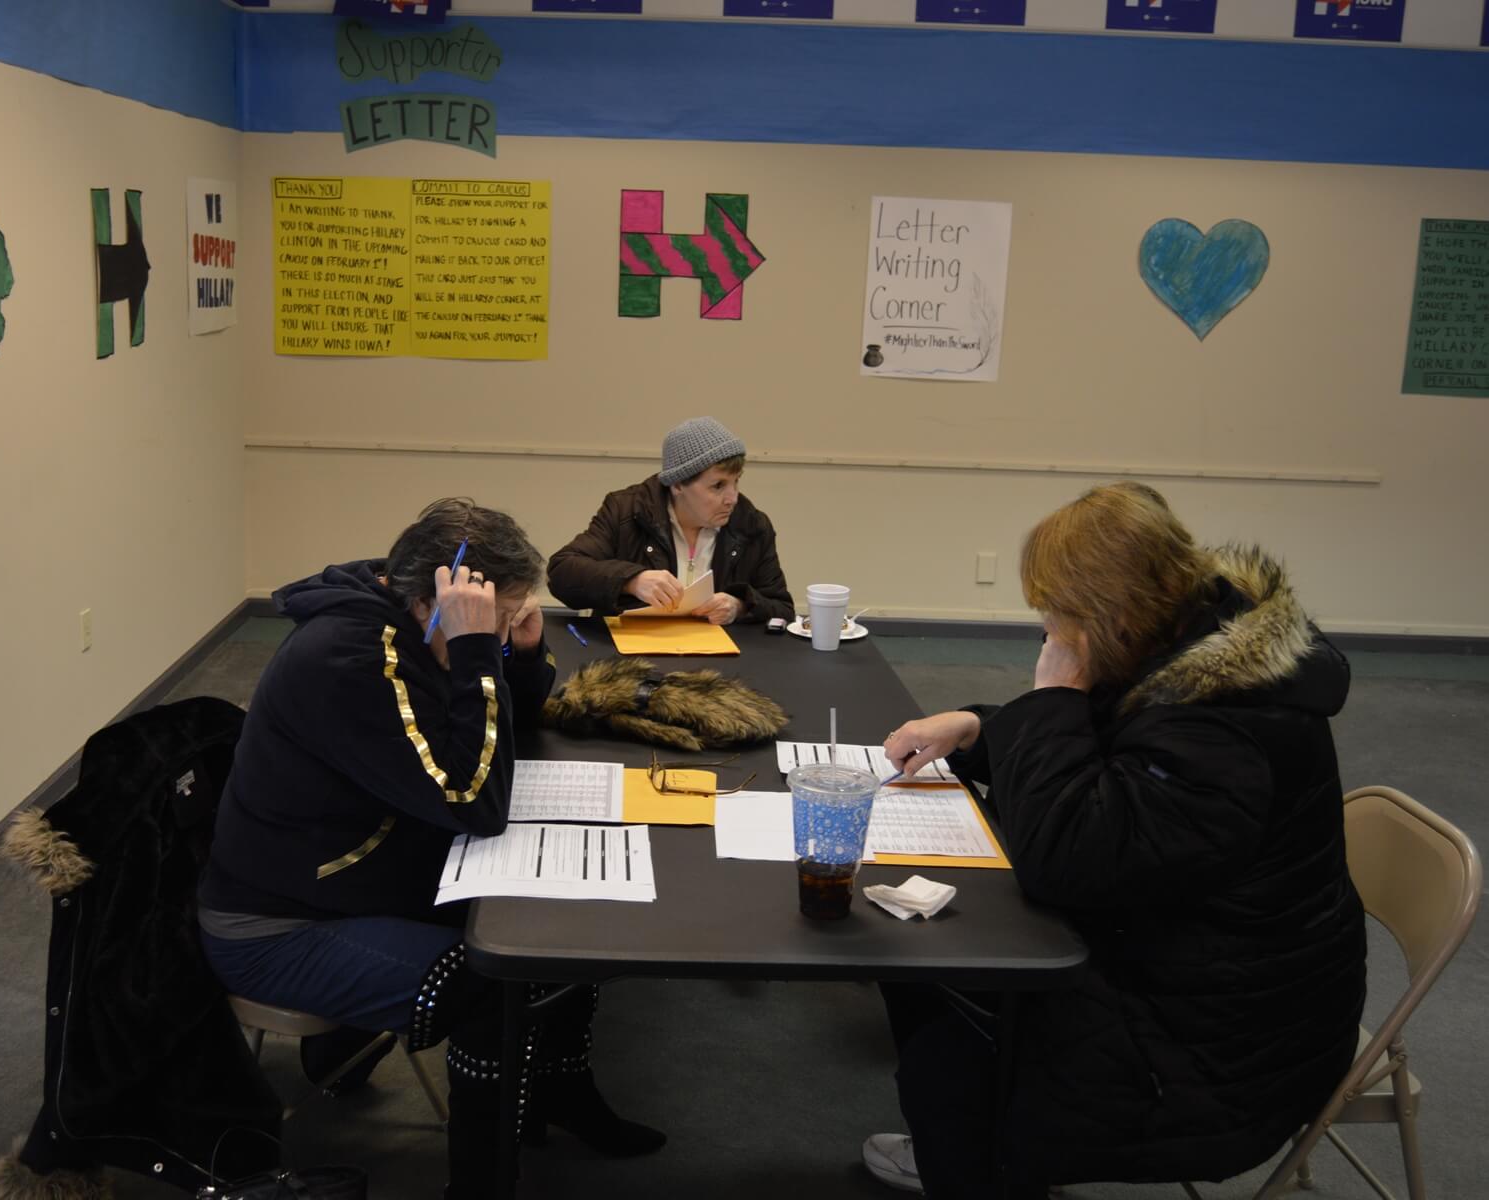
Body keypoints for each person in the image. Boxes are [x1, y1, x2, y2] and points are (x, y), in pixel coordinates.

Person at [862, 482, 1366, 1198]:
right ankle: (969, 1149)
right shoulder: (1189, 647)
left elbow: (1066, 859)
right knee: (923, 952)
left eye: (1056, 612)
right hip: (1197, 975)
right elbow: (1113, 760)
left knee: (947, 1047)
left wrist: (1054, 698)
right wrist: (979, 730)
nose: (1047, 628)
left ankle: (976, 1151)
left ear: (1109, 612)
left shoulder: (1219, 726)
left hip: (1217, 1054)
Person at [198, 499, 664, 1198]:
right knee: (486, 990)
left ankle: (558, 1095)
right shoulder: (348, 660)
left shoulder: (409, 630)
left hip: (368, 869)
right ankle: (480, 1185)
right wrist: (480, 652)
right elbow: (471, 799)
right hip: (281, 924)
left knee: (566, 922)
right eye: (496, 618)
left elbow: (507, 735)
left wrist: (522, 654)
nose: (501, 632)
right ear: (434, 602)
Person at [546, 416, 793, 625]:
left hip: (718, 665)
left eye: (736, 481)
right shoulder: (627, 511)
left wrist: (740, 606)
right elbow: (562, 572)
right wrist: (631, 580)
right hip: (633, 661)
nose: (733, 498)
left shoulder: (751, 525)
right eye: (718, 486)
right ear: (677, 485)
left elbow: (782, 609)